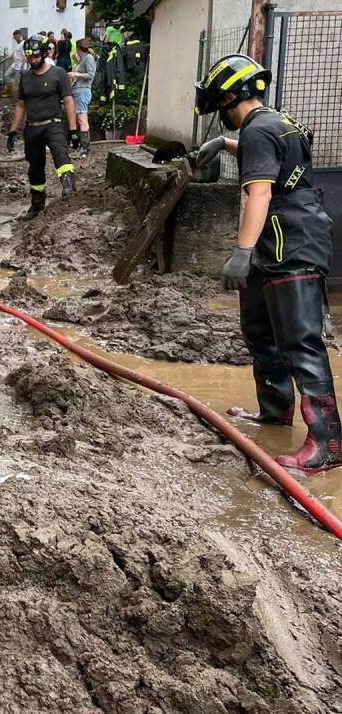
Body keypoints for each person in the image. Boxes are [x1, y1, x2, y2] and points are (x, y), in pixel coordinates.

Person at [194, 53, 339, 474]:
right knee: (260, 330)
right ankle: (275, 411)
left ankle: (328, 443)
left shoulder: (258, 131)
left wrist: (240, 253)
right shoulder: (277, 122)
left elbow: (258, 193)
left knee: (300, 342)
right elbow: (276, 156)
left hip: (288, 245)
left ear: (228, 97)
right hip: (281, 242)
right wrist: (224, 144)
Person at [6, 34, 78, 220]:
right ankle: (37, 206)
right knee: (35, 168)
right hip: (33, 128)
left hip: (53, 125)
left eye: (36, 56)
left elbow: (69, 101)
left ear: (45, 53)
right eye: (29, 57)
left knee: (61, 157)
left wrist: (73, 130)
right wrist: (13, 131)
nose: (32, 60)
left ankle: (70, 197)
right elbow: (21, 104)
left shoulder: (58, 73)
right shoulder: (25, 76)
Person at [67, 38, 97, 158]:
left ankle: (84, 148)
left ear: (78, 48)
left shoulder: (89, 58)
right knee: (79, 119)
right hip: (77, 92)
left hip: (82, 92)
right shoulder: (82, 59)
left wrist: (76, 74)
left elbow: (91, 75)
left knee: (82, 120)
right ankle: (82, 146)